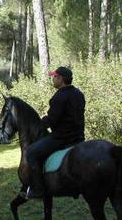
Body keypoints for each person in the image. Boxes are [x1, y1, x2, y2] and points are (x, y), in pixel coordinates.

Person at [25, 66, 85, 199]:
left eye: (54, 77)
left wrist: (40, 123)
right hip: (79, 137)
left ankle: (38, 189)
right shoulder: (79, 94)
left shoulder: (59, 97)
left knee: (31, 152)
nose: (53, 79)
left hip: (62, 138)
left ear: (61, 79)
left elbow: (53, 120)